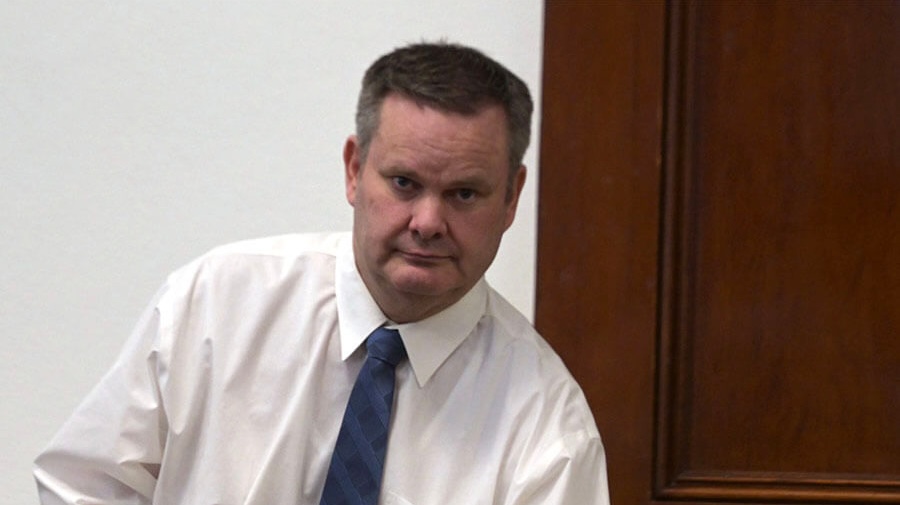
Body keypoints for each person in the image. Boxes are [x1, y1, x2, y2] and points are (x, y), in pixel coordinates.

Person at [34, 42, 610, 505]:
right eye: (404, 183)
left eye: (464, 193)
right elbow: (81, 486)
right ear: (355, 170)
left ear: (511, 199)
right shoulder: (214, 304)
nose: (428, 222)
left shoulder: (548, 430)